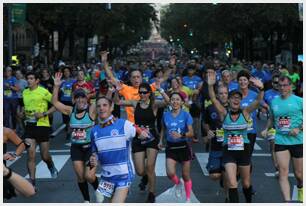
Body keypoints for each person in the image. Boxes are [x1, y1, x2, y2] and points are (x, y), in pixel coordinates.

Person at [207, 71, 264, 203]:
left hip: (243, 152)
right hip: (229, 153)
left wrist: (261, 88)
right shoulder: (223, 113)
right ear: (229, 100)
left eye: (238, 98)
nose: (236, 100)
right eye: (233, 98)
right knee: (232, 184)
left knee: (245, 183)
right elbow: (214, 99)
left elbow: (257, 101)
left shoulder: (245, 113)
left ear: (240, 100)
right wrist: (210, 86)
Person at [114, 82, 168, 202]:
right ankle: (145, 177)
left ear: (149, 93)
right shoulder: (135, 103)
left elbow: (168, 102)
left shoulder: (154, 104)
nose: (142, 94)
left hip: (151, 138)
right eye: (140, 92)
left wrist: (161, 89)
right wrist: (117, 91)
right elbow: (117, 102)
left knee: (150, 167)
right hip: (138, 137)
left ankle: (152, 193)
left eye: (145, 92)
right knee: (140, 171)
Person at [89, 96, 147, 203]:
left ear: (111, 107)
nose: (101, 108)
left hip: (123, 174)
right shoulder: (94, 131)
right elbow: (95, 152)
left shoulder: (123, 124)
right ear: (96, 109)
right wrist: (94, 158)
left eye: (105, 105)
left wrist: (143, 134)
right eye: (99, 106)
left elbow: (141, 131)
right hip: (107, 177)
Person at [52, 72, 99, 203]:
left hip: (90, 147)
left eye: (82, 97)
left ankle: (98, 191)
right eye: (77, 97)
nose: (80, 100)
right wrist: (56, 86)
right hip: (76, 147)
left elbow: (102, 99)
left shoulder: (92, 109)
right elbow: (55, 102)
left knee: (89, 176)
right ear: (74, 99)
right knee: (80, 176)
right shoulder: (69, 110)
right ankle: (87, 200)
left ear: (86, 98)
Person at [262, 75, 303, 203]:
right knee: (282, 172)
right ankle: (288, 201)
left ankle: (301, 187)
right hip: (281, 140)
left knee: (299, 174)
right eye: (280, 85)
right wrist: (266, 128)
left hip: (298, 140)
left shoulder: (299, 101)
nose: (282, 88)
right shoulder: (274, 101)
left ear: (291, 86)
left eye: (285, 85)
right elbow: (272, 118)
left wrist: (299, 129)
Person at [21, 71, 58, 190]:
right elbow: (24, 106)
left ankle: (50, 165)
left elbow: (56, 104)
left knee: (44, 156)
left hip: (42, 125)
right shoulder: (25, 92)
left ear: (37, 80)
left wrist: (44, 113)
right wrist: (21, 113)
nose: (29, 80)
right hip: (29, 126)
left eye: (31, 78)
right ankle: (32, 183)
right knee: (30, 155)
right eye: (28, 78)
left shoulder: (43, 91)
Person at [158, 92, 194, 203]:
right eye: (173, 99)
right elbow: (163, 129)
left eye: (177, 99)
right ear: (170, 102)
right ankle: (178, 184)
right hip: (171, 147)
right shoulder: (165, 115)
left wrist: (181, 135)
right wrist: (160, 140)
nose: (175, 102)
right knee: (170, 173)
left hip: (183, 146)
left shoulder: (186, 115)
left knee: (185, 175)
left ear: (182, 102)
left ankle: (188, 199)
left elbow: (191, 133)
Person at [203, 84, 228, 201]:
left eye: (225, 93)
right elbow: (205, 122)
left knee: (228, 175)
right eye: (221, 93)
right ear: (217, 95)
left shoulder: (233, 108)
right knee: (214, 175)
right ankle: (222, 175)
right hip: (216, 146)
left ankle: (228, 198)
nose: (223, 95)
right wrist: (208, 132)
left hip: (230, 147)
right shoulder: (210, 108)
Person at [4, 66, 20, 130]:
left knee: (13, 115)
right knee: (6, 115)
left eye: (9, 71)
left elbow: (17, 89)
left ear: (11, 72)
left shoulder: (14, 79)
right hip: (5, 100)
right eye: (6, 70)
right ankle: (7, 129)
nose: (8, 72)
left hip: (13, 99)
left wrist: (10, 86)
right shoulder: (3, 79)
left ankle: (14, 129)